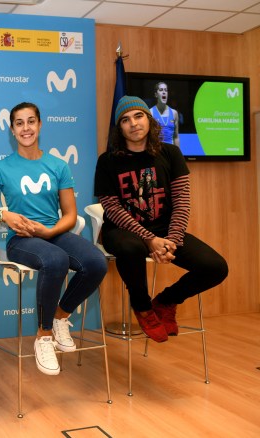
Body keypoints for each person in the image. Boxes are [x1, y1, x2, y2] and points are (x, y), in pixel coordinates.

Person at [0, 102, 107, 376]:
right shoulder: (1, 168)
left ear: (40, 125)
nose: (26, 128)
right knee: (55, 260)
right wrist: (4, 216)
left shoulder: (57, 165)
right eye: (19, 123)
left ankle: (60, 317)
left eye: (31, 121)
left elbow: (70, 215)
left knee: (96, 261)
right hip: (20, 241)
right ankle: (43, 337)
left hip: (53, 234)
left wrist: (50, 231)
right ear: (12, 130)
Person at [94, 95, 228, 343]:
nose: (133, 123)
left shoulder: (171, 153)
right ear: (119, 128)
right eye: (125, 119)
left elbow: (181, 201)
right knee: (130, 247)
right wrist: (149, 239)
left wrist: (172, 241)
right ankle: (143, 307)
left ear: (149, 120)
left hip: (166, 230)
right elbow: (111, 207)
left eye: (138, 116)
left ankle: (166, 301)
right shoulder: (108, 161)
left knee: (216, 268)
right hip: (123, 232)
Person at [150, 81, 180, 146]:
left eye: (166, 90)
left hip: (171, 152)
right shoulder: (150, 112)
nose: (164, 92)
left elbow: (176, 137)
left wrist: (178, 155)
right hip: (157, 152)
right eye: (161, 90)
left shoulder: (174, 113)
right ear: (156, 94)